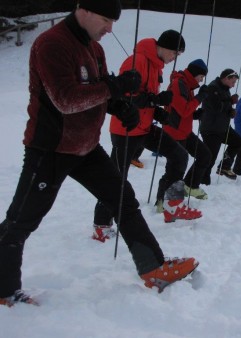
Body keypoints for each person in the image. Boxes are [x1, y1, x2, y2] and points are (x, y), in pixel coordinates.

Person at [0, 0, 198, 306]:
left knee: (123, 198)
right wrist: (115, 89)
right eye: (106, 20)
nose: (109, 28)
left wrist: (120, 106)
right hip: (50, 148)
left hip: (87, 146)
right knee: (23, 220)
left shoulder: (95, 48)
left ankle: (154, 268)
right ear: (85, 10)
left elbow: (99, 90)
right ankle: (4, 289)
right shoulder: (51, 44)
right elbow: (66, 100)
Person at [93, 29, 202, 234]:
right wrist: (154, 101)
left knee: (179, 155)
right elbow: (121, 97)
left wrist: (157, 112)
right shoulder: (137, 61)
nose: (174, 58)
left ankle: (172, 204)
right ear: (164, 47)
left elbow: (146, 96)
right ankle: (101, 224)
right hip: (125, 129)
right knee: (116, 179)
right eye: (175, 53)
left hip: (144, 128)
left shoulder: (157, 66)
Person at [163, 59, 211, 200]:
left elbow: (183, 110)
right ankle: (163, 201)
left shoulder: (186, 86)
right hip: (174, 133)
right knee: (174, 170)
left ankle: (190, 186)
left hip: (184, 132)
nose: (201, 81)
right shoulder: (178, 84)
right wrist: (200, 97)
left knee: (204, 155)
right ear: (195, 73)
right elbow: (183, 110)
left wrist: (195, 114)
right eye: (201, 77)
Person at [200, 68, 241, 181]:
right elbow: (216, 107)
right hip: (211, 129)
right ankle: (203, 180)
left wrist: (231, 112)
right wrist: (230, 101)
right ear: (225, 78)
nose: (233, 85)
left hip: (222, 127)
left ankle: (224, 166)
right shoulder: (213, 88)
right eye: (233, 82)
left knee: (237, 141)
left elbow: (224, 106)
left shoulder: (225, 88)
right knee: (210, 157)